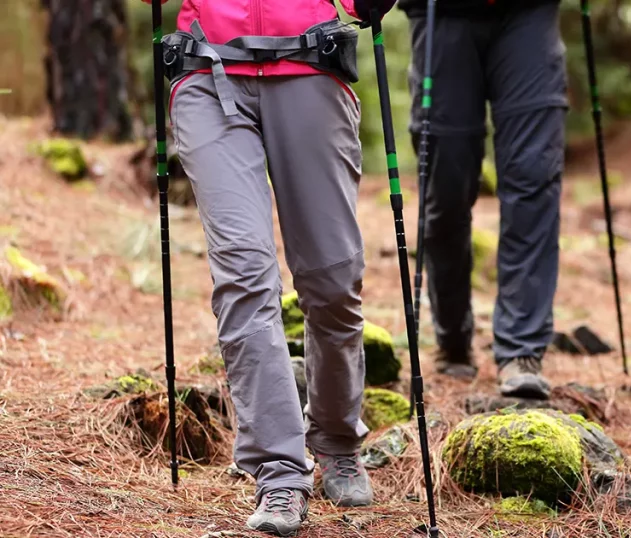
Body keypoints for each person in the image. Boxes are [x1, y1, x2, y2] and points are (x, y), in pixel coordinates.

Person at [143, 0, 394, 535]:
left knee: (332, 280)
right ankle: (279, 471)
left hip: (310, 68)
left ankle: (336, 437)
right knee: (244, 274)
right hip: (208, 74)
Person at [399, 0, 567, 400]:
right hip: (441, 13)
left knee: (533, 177)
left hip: (530, 14)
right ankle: (453, 336)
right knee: (446, 188)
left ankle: (521, 350)